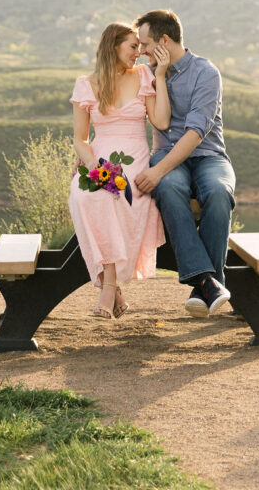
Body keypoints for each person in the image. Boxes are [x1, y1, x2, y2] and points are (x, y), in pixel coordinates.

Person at [135, 9, 236, 317]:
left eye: (144, 43)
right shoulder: (148, 75)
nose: (140, 51)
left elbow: (195, 133)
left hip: (208, 156)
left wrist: (156, 171)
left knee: (219, 193)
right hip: (168, 156)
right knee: (169, 188)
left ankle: (201, 285)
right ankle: (209, 281)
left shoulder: (206, 72)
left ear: (164, 41)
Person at [68, 22, 171, 319]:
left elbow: (161, 121)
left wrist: (160, 76)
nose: (138, 53)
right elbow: (80, 138)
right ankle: (111, 287)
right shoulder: (86, 84)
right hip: (99, 161)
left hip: (135, 159)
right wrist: (95, 168)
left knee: (120, 198)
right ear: (113, 46)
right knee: (88, 198)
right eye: (132, 46)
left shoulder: (143, 76)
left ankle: (107, 288)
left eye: (139, 47)